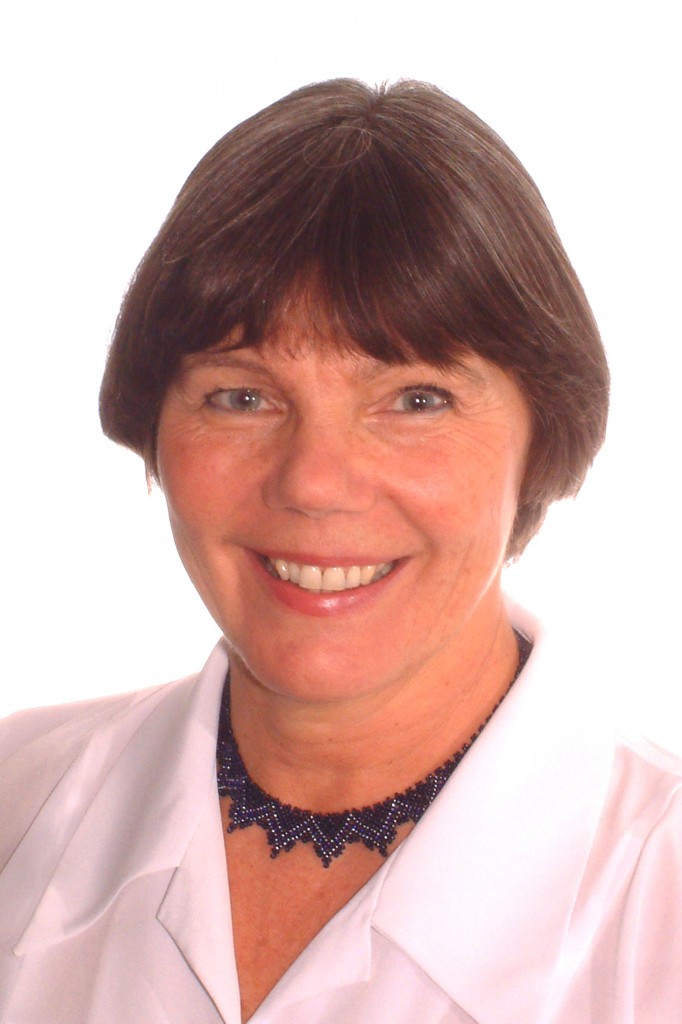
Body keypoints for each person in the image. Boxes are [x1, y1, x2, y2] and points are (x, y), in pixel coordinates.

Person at [0, 79, 680, 1024]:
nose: (314, 482)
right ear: (152, 423)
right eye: (241, 396)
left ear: (543, 435)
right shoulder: (19, 800)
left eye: (416, 399)